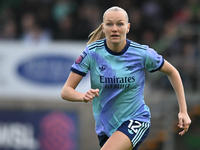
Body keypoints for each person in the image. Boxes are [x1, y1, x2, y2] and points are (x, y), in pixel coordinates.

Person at [61, 6, 191, 150]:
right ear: (103, 28)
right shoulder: (92, 53)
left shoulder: (142, 53)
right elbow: (66, 91)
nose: (114, 28)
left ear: (128, 27)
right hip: (106, 128)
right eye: (109, 24)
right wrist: (83, 96)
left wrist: (183, 111)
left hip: (136, 120)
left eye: (120, 24)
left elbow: (173, 72)